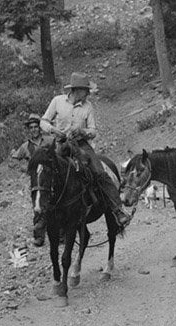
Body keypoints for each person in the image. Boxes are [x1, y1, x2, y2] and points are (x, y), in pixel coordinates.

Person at [39, 71, 130, 228]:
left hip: (81, 144)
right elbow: (43, 121)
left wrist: (83, 132)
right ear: (76, 90)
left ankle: (118, 209)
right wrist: (53, 130)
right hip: (60, 143)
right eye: (85, 90)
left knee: (99, 172)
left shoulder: (88, 107)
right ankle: (41, 217)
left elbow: (93, 131)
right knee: (43, 173)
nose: (88, 94)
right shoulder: (57, 101)